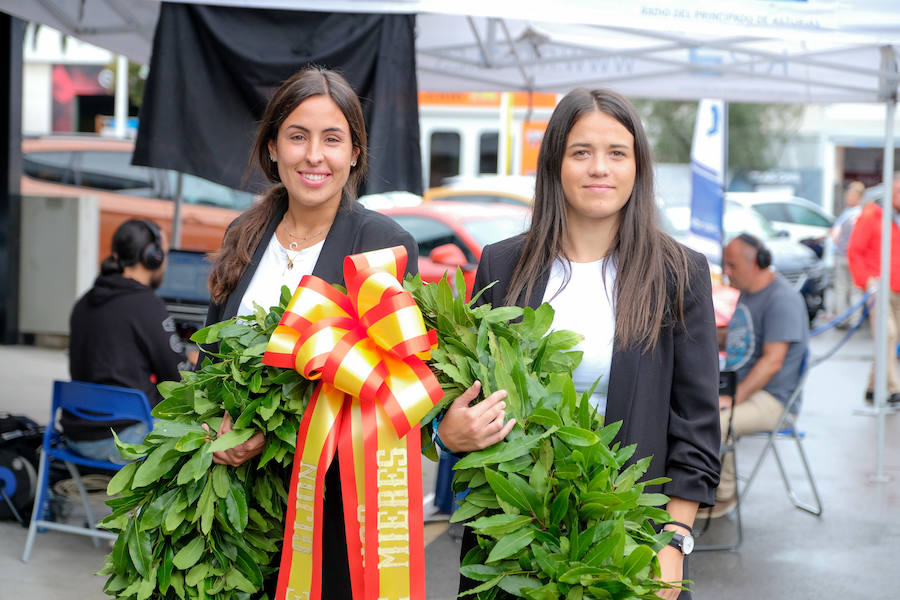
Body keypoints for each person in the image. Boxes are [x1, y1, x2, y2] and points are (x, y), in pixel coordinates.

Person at [438, 88, 721, 600]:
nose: (600, 168)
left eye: (617, 153)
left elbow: (697, 429)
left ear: (637, 167)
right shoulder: (503, 266)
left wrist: (674, 540)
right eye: (581, 152)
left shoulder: (678, 273)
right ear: (555, 165)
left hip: (631, 541)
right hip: (512, 539)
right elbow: (469, 393)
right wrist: (449, 433)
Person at [201, 67, 418, 600]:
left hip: (334, 508)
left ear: (355, 154)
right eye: (297, 136)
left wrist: (272, 431)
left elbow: (394, 387)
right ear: (273, 148)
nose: (313, 155)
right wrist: (215, 426)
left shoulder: (383, 244)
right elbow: (209, 360)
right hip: (239, 505)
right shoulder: (243, 233)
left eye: (332, 139)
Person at [65, 219, 193, 463]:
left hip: (76, 436)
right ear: (152, 257)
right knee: (205, 432)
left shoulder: (83, 302)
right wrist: (193, 361)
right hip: (123, 440)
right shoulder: (147, 305)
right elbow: (178, 381)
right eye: (164, 254)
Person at [712, 233, 809, 518]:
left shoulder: (782, 300)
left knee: (715, 421)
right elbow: (739, 337)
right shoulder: (749, 293)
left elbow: (771, 362)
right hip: (741, 390)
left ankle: (724, 495)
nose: (726, 273)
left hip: (774, 401)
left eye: (731, 265)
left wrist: (732, 399)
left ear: (757, 262)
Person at [847, 173, 900, 405]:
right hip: (878, 285)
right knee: (886, 335)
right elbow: (854, 251)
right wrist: (866, 281)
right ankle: (892, 388)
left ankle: (872, 386)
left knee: (888, 339)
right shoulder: (871, 214)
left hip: (897, 287)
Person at [830, 181, 865, 325]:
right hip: (855, 257)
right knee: (855, 290)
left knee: (842, 289)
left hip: (843, 255)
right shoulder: (861, 214)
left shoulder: (847, 215)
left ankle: (841, 319)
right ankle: (855, 321)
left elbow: (835, 236)